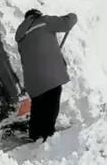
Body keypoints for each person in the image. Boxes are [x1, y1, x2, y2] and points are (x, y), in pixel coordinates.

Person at [15, 8, 78, 141]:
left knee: (38, 107)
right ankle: (47, 137)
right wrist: (72, 15)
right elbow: (67, 23)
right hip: (49, 75)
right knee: (51, 105)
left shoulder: (21, 36)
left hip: (32, 80)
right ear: (36, 15)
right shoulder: (44, 21)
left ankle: (35, 135)